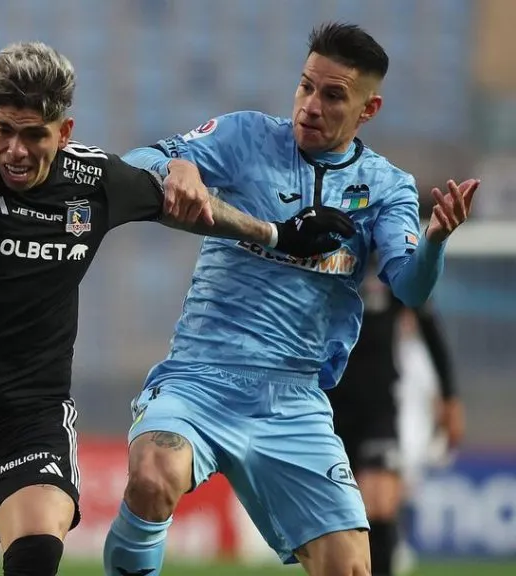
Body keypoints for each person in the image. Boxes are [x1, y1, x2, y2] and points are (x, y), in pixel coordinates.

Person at [0, 42, 352, 576]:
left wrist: (275, 234)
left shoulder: (94, 180)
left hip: (29, 412)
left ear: (65, 130)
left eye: (35, 135)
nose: (16, 151)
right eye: (3, 130)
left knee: (38, 547)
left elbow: (190, 209)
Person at [104, 22, 479, 576]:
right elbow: (131, 164)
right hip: (202, 377)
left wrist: (436, 243)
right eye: (306, 86)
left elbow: (410, 286)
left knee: (350, 566)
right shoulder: (245, 137)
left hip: (294, 398)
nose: (310, 105)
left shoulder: (386, 186)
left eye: (333, 96)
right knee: (153, 471)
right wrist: (175, 163)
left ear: (367, 109)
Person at [325, 263, 464, 576]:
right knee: (341, 522)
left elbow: (429, 325)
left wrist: (450, 397)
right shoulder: (327, 253)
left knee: (379, 506)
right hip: (328, 407)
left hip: (379, 408)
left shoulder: (394, 263)